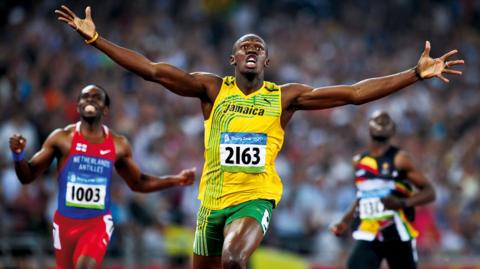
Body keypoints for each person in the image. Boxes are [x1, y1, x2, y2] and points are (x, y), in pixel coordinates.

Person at [54, 5, 464, 269]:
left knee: (235, 258)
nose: (251, 48)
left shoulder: (285, 98)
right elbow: (153, 71)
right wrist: (95, 39)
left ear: (267, 60)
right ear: (232, 59)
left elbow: (355, 93)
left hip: (255, 197)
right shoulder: (212, 89)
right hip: (210, 202)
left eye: (258, 46)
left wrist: (413, 74)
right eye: (244, 46)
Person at [9, 84, 196, 269]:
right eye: (85, 97)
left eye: (96, 97)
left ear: (105, 109)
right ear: (78, 106)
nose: (90, 100)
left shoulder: (118, 144)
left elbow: (138, 182)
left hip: (97, 224)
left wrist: (175, 179)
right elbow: (28, 176)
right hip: (66, 223)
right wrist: (18, 155)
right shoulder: (61, 139)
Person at [329, 111, 436, 269]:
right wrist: (345, 220)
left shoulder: (400, 159)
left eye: (385, 121)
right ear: (369, 129)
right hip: (370, 231)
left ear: (392, 131)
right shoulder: (359, 161)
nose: (381, 122)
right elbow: (363, 196)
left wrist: (403, 202)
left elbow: (429, 192)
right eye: (377, 120)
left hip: (396, 233)